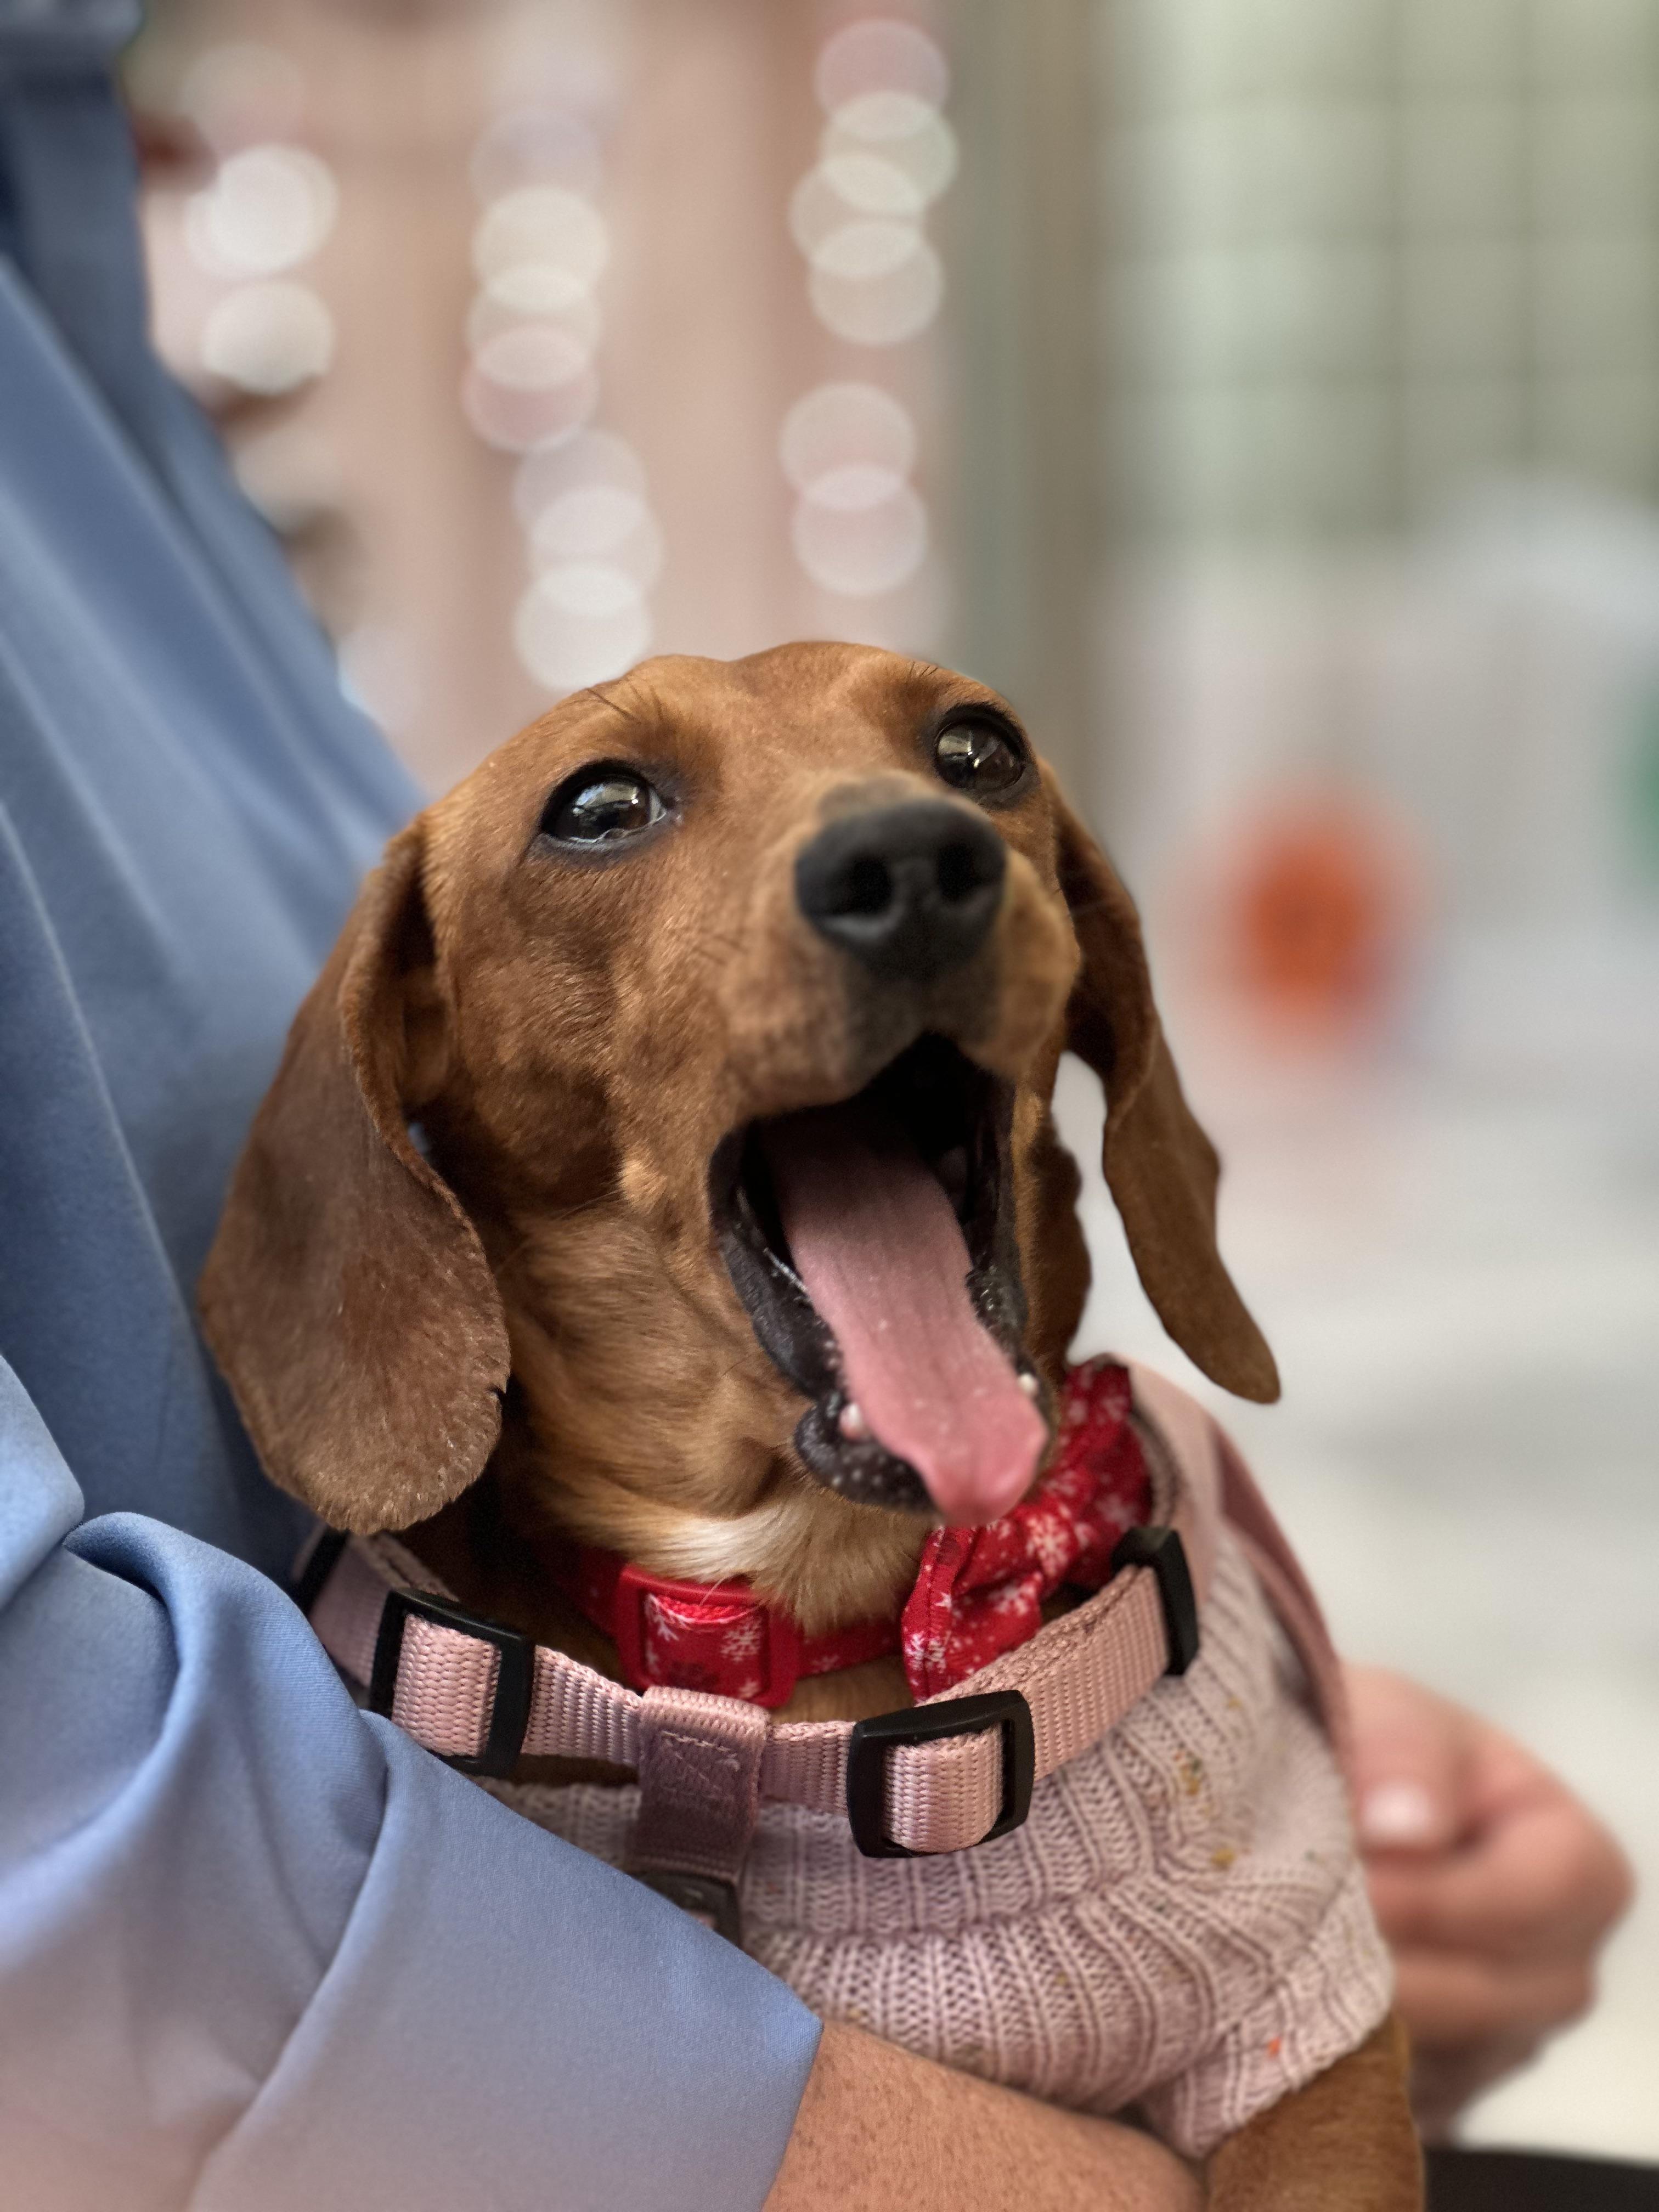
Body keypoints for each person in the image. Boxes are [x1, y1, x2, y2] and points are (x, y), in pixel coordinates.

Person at [0, 7, 1631, 2207]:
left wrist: (1263, 1787)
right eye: (609, 809)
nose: (902, 847)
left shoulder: (89, 283)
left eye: (965, 778)